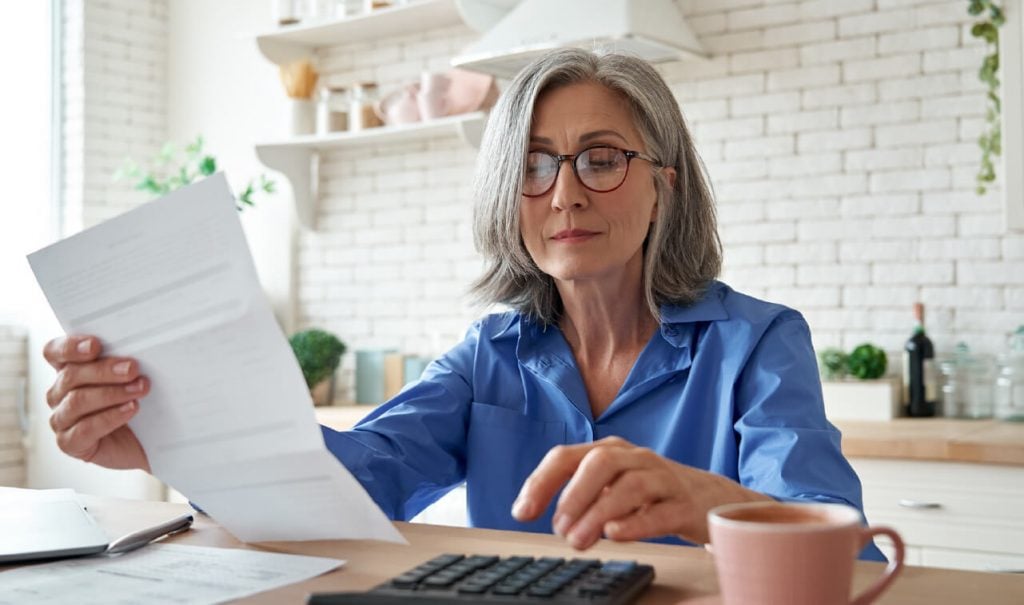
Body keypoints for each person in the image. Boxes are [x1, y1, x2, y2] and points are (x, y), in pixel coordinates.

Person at [42, 48, 884, 560]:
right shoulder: (490, 354)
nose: (563, 194)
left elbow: (842, 545)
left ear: (662, 186)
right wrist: (168, 436)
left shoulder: (758, 343)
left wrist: (705, 501)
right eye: (533, 164)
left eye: (599, 159)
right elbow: (353, 483)